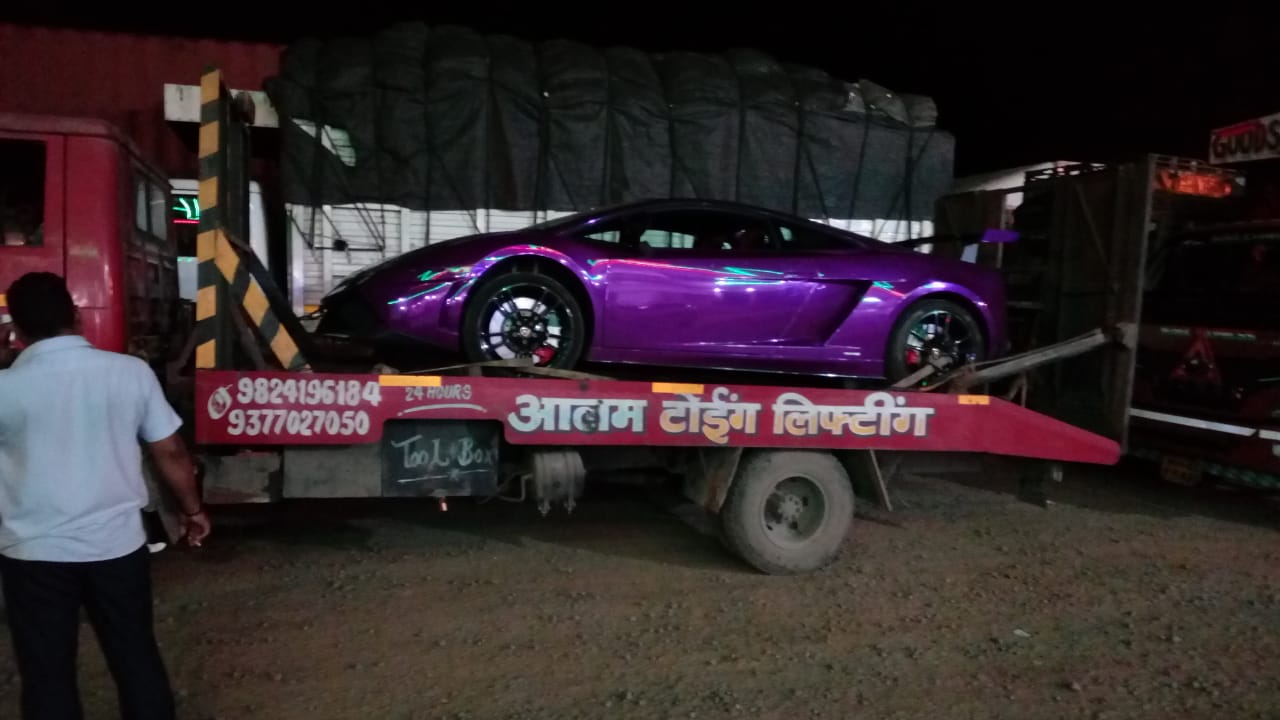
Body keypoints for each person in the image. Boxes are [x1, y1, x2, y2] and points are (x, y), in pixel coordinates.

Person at [0, 271, 211, 720]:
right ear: (76, 316)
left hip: (33, 554)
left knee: (46, 673)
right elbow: (171, 451)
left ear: (15, 329)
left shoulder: (6, 387)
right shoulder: (130, 372)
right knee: (135, 655)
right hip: (117, 547)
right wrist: (192, 510)